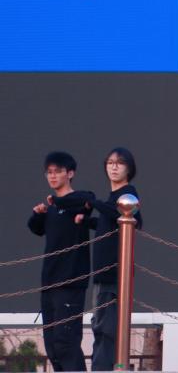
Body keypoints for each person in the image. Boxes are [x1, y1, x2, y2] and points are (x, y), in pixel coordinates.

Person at [27, 151, 94, 371]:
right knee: (53, 346)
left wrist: (56, 201)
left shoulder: (77, 202)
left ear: (70, 173)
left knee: (66, 343)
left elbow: (87, 199)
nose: (53, 176)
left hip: (71, 282)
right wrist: (38, 213)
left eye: (58, 171)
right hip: (49, 283)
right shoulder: (52, 208)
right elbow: (35, 228)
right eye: (49, 172)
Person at [82, 147, 142, 371]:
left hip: (112, 275)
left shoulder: (128, 194)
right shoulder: (112, 198)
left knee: (106, 329)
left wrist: (94, 203)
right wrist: (86, 220)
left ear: (129, 169)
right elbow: (108, 221)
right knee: (101, 327)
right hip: (103, 275)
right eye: (110, 162)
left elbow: (132, 217)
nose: (114, 167)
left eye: (120, 162)